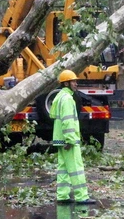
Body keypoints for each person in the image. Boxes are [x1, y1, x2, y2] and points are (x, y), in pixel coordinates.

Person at [49, 69, 96, 205]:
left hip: (60, 139)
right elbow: (67, 121)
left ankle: (62, 196)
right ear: (66, 84)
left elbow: (55, 117)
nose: (76, 84)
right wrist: (70, 140)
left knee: (63, 168)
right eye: (73, 81)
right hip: (68, 140)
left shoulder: (59, 97)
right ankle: (82, 197)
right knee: (76, 168)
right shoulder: (68, 99)